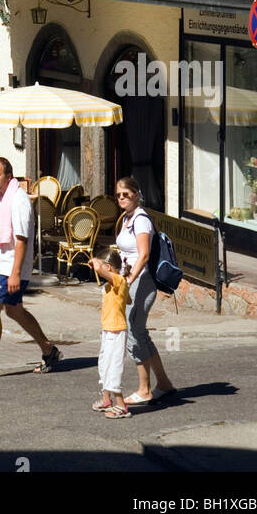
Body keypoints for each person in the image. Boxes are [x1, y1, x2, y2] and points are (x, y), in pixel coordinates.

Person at [0, 156, 61, 379]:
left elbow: (21, 239)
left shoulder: (18, 200)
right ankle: (49, 350)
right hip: (2, 264)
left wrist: (15, 273)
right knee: (14, 310)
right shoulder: (0, 198)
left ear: (9, 176)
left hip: (12, 268)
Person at [115, 176, 176, 406]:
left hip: (142, 281)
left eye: (126, 194)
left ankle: (144, 389)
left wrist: (129, 280)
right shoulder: (127, 218)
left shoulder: (141, 220)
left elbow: (144, 255)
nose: (122, 198)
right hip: (132, 279)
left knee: (133, 331)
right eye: (119, 195)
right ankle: (164, 383)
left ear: (136, 194)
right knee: (140, 332)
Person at [89, 249, 130, 419]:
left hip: (117, 331)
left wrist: (93, 260)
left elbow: (99, 269)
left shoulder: (119, 280)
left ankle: (122, 406)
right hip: (108, 330)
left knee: (114, 367)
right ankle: (107, 399)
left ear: (108, 268)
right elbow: (128, 300)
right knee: (104, 364)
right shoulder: (113, 285)